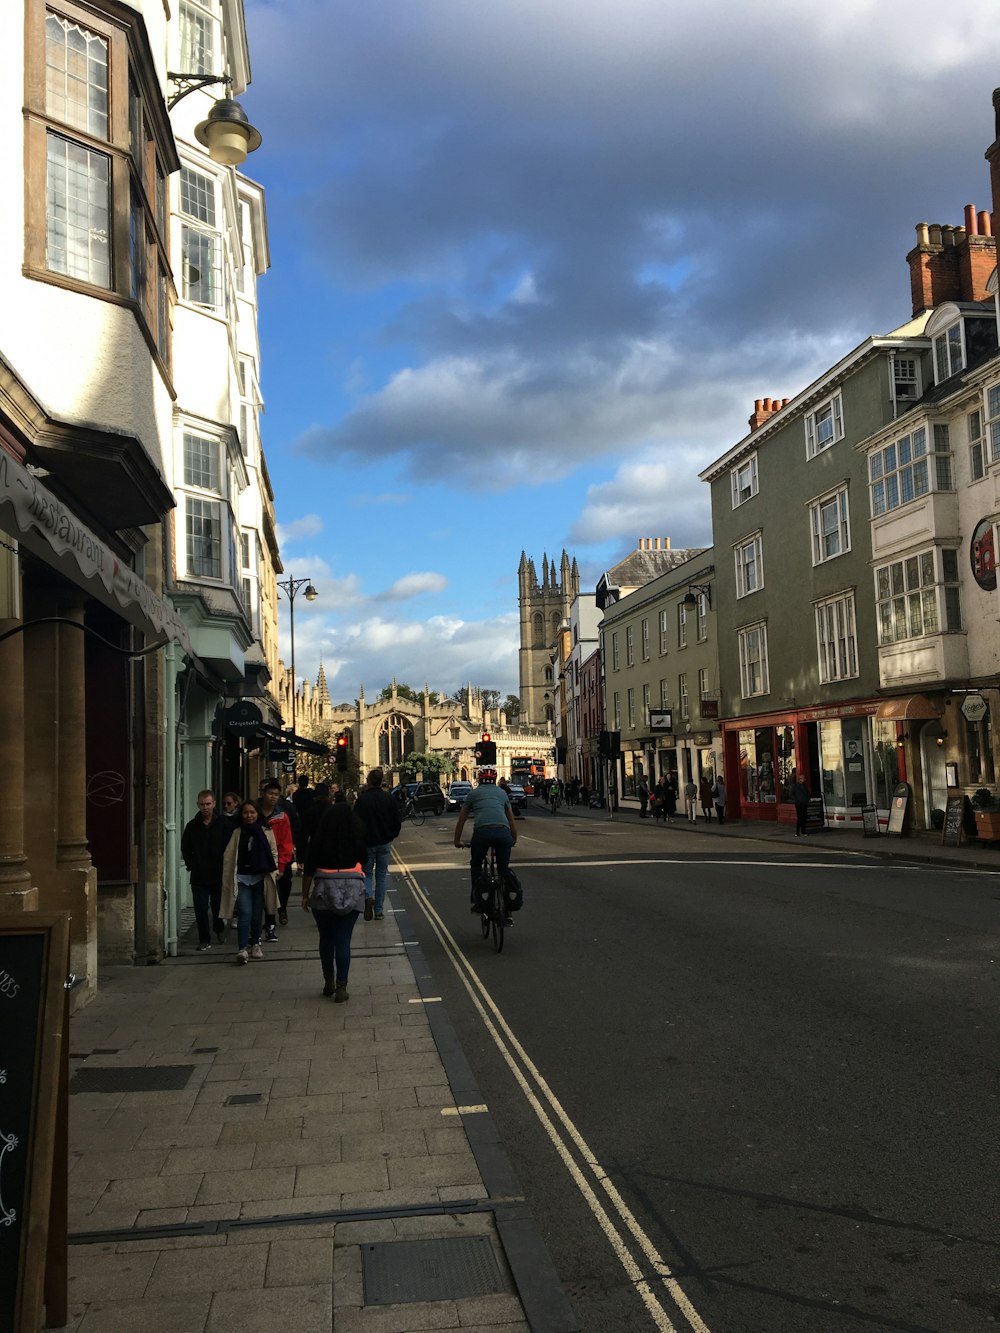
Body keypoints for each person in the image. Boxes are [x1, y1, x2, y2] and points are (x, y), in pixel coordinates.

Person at [301, 801, 369, 1001]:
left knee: (326, 938)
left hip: (323, 891)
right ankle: (342, 986)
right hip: (352, 890)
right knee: (343, 939)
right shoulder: (357, 836)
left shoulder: (320, 839)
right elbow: (363, 860)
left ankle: (328, 981)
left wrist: (305, 895)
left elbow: (309, 870)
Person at [454, 768, 517, 914]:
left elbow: (461, 821)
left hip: (482, 833)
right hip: (503, 833)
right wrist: (513, 838)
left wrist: (457, 841)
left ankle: (478, 901)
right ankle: (507, 908)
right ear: (494, 780)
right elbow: (511, 820)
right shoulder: (502, 793)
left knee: (476, 864)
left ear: (479, 780)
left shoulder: (473, 794)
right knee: (503, 870)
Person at [221, 800, 277, 964]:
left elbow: (273, 852)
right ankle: (242, 948)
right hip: (242, 878)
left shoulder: (266, 831)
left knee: (257, 913)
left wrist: (275, 870)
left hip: (261, 878)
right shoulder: (237, 832)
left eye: (252, 812)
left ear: (258, 813)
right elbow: (229, 855)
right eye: (246, 812)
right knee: (245, 913)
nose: (249, 815)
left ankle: (256, 944)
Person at [180, 790, 230, 950]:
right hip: (199, 875)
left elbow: (229, 846)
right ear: (198, 805)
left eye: (208, 804)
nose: (205, 807)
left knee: (217, 907)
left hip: (218, 873)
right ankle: (204, 939)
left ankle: (219, 928)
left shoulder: (222, 824)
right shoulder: (192, 826)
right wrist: (191, 864)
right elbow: (185, 848)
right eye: (202, 804)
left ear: (214, 804)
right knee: (200, 908)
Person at [353, 768, 402, 922]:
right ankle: (379, 911)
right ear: (381, 781)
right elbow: (397, 820)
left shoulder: (362, 800)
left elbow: (355, 822)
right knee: (381, 876)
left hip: (367, 843)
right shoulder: (389, 798)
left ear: (368, 781)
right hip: (384, 842)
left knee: (367, 873)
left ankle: (368, 897)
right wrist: (391, 835)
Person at [259, 780, 295, 938]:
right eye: (270, 794)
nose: (273, 797)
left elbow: (286, 841)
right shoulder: (254, 812)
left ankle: (272, 922)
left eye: (276, 794)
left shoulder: (282, 816)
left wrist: (282, 865)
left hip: (277, 859)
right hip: (258, 859)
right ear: (263, 794)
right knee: (261, 894)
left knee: (277, 890)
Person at [790, 772, 811, 836]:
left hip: (804, 803)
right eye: (803, 778)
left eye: (804, 778)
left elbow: (808, 793)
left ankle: (803, 831)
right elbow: (791, 794)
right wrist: (796, 800)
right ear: (799, 779)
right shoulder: (795, 786)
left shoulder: (805, 786)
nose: (804, 780)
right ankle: (797, 832)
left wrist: (807, 799)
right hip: (798, 803)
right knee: (799, 817)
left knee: (804, 817)